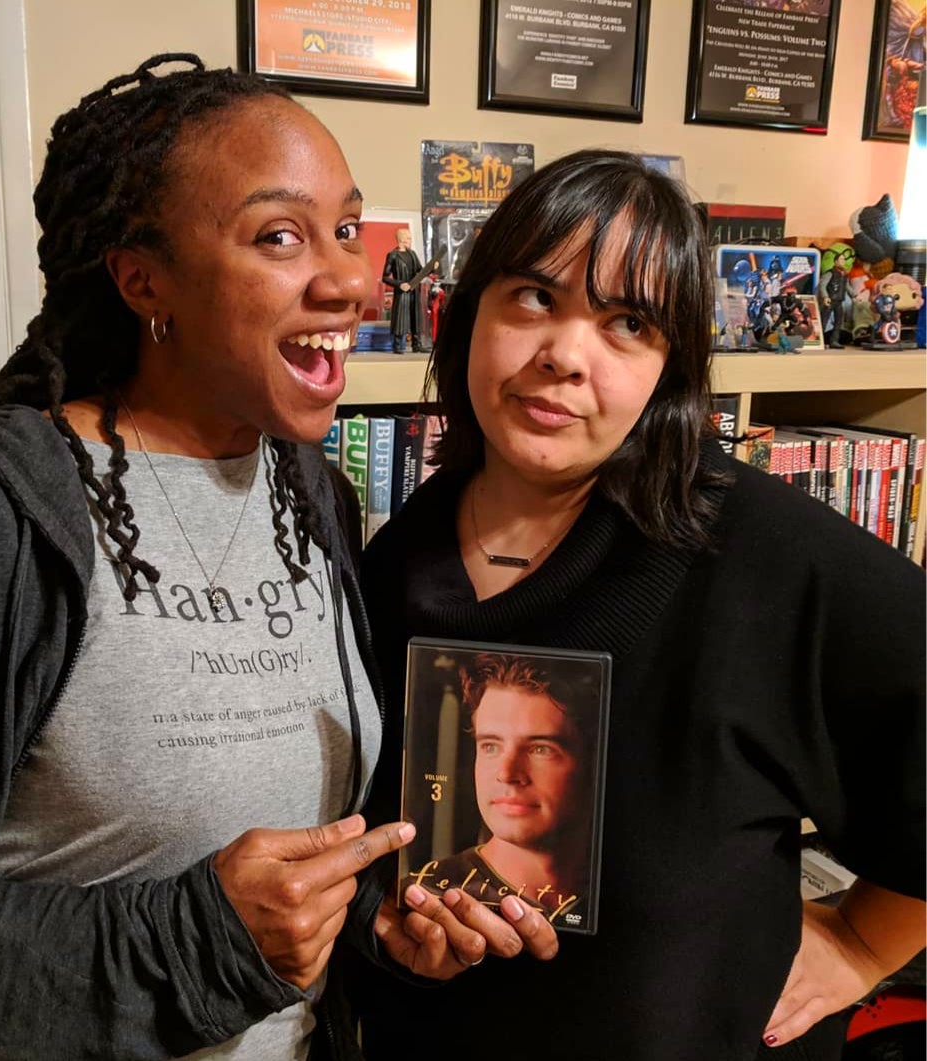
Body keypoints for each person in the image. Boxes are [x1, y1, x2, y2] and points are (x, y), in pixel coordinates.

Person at [0, 54, 548, 1061]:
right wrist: (199, 938)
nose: (352, 278)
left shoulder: (315, 494)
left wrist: (375, 926)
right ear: (145, 281)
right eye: (279, 236)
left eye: (347, 229)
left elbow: (288, 887)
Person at [349, 150, 925, 1060]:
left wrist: (862, 941)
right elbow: (378, 834)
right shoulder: (397, 555)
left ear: (671, 367)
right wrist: (394, 927)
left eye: (627, 323)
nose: (564, 357)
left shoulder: (763, 556)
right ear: (469, 315)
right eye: (534, 297)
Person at [409, 653, 597, 930]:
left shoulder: (616, 895)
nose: (507, 774)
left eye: (541, 749)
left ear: (591, 761)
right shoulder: (426, 898)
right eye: (491, 746)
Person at [381, 228, 423, 353]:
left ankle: (417, 343)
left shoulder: (412, 254)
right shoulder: (393, 255)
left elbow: (420, 270)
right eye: (409, 238)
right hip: (402, 293)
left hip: (414, 291)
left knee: (415, 317)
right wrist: (399, 284)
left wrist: (432, 268)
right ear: (402, 240)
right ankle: (398, 345)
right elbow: (385, 277)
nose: (410, 241)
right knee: (401, 319)